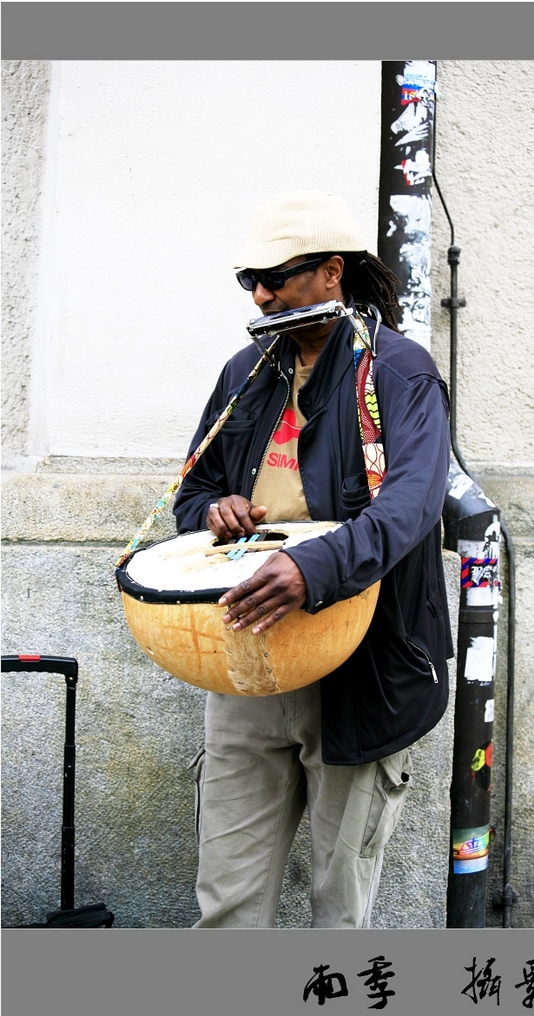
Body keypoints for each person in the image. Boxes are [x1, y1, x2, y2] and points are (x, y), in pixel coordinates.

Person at [173, 190, 454, 928]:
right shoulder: (247, 370)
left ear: (332, 272)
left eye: (277, 276)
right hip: (246, 660)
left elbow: (409, 508)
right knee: (226, 904)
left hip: (360, 666)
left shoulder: (398, 372)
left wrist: (312, 569)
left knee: (337, 909)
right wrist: (211, 510)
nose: (261, 294)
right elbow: (194, 484)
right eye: (250, 281)